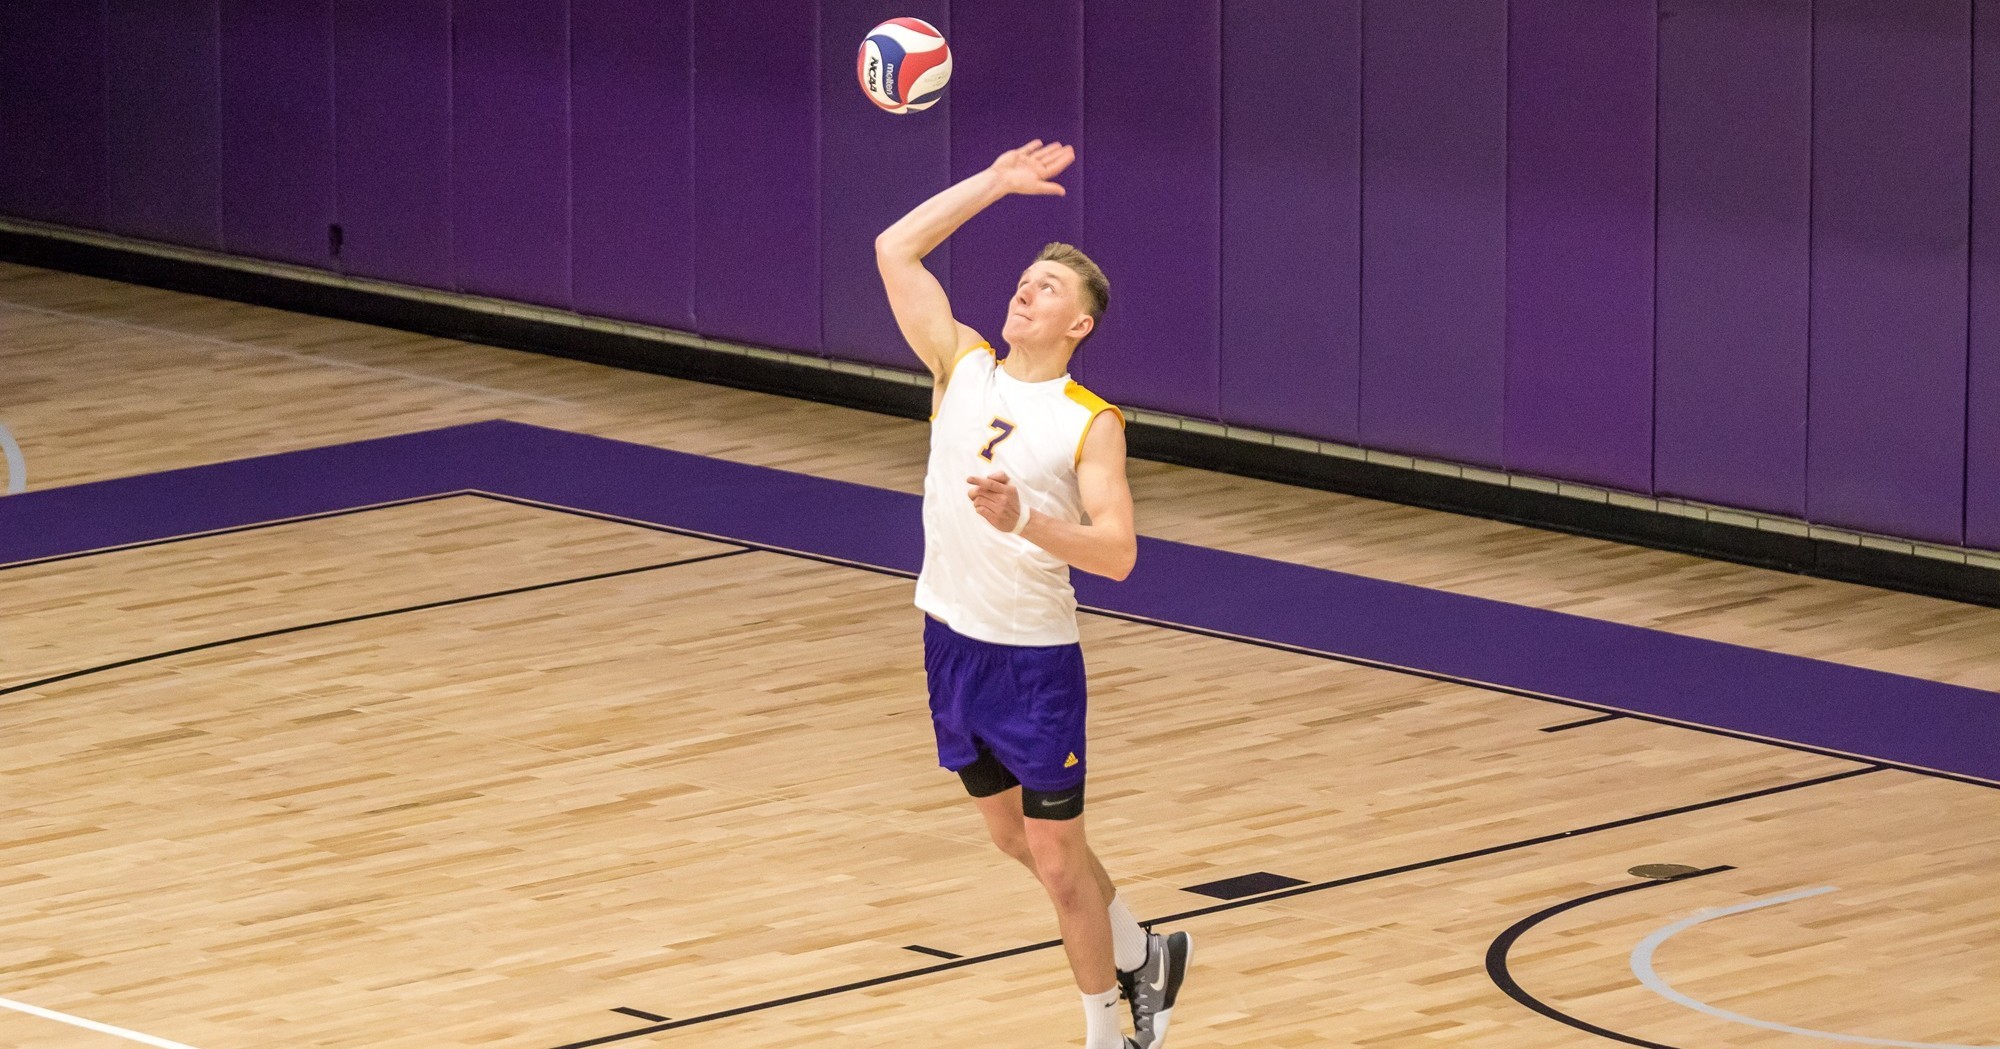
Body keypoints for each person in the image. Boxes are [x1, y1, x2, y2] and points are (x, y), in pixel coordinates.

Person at [875, 139, 1191, 1049]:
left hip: (1034, 661)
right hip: (948, 638)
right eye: (1025, 277)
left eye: (1050, 288)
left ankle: (1115, 1029)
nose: (1026, 290)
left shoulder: (1091, 422)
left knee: (1057, 866)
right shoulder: (960, 366)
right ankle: (1140, 948)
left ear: (1080, 325)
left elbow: (1120, 554)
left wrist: (1025, 521)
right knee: (1014, 838)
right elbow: (895, 250)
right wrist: (996, 183)